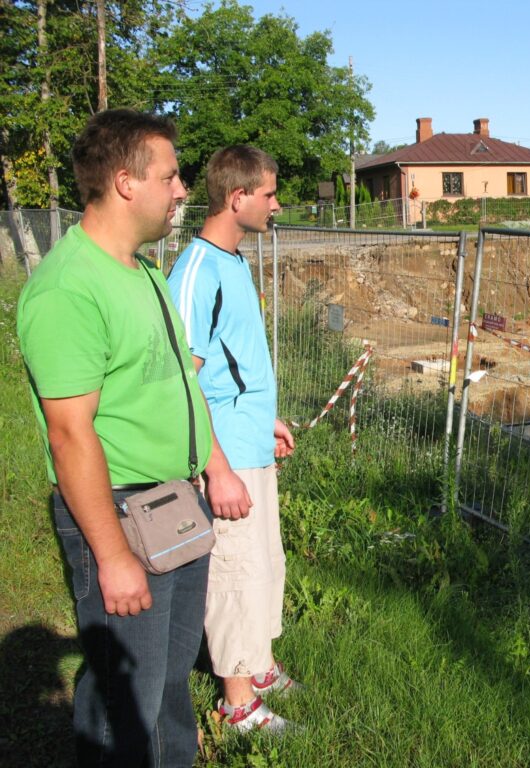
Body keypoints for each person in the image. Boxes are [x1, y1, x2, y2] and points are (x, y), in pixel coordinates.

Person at [17, 109, 248, 766]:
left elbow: (178, 384)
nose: (182, 190)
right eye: (170, 176)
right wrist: (113, 555)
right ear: (125, 182)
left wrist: (214, 463)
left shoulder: (142, 272)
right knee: (126, 699)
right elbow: (70, 435)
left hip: (175, 502)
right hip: (120, 512)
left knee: (169, 680)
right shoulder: (68, 289)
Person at [167, 145, 299, 733]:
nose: (276, 204)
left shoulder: (234, 261)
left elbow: (231, 363)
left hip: (250, 444)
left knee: (264, 564)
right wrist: (215, 467)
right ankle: (236, 701)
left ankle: (259, 666)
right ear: (236, 196)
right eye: (268, 194)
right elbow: (182, 381)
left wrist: (265, 418)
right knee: (235, 572)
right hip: (225, 456)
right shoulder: (197, 271)